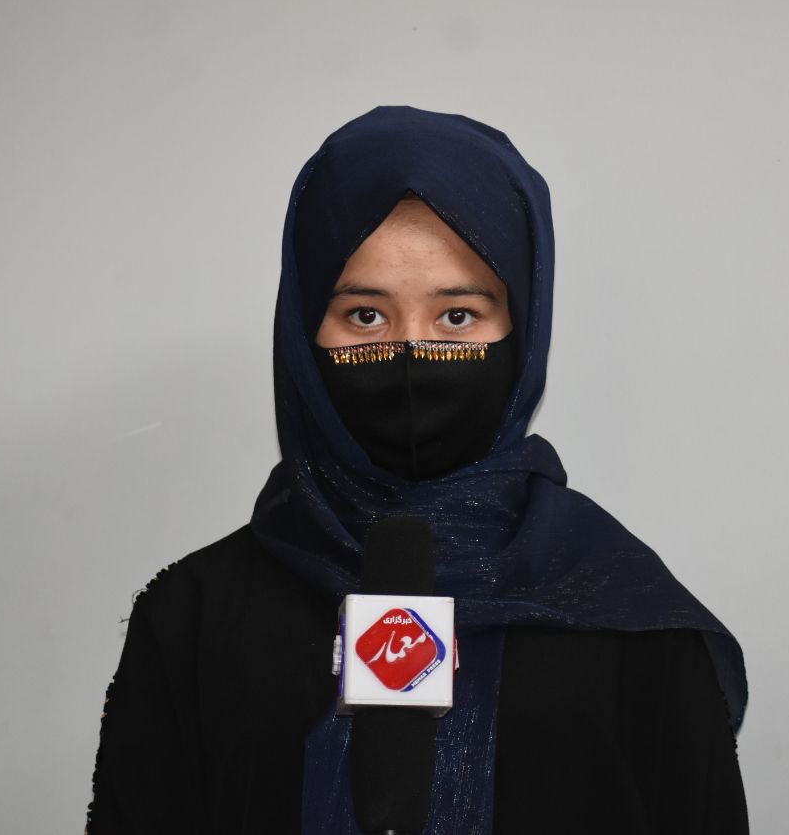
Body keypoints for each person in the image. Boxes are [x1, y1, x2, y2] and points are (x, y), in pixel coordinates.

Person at [86, 106, 749, 834]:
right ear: (303, 331)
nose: (410, 355)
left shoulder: (631, 621)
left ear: (523, 328)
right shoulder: (195, 619)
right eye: (365, 316)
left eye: (457, 316)